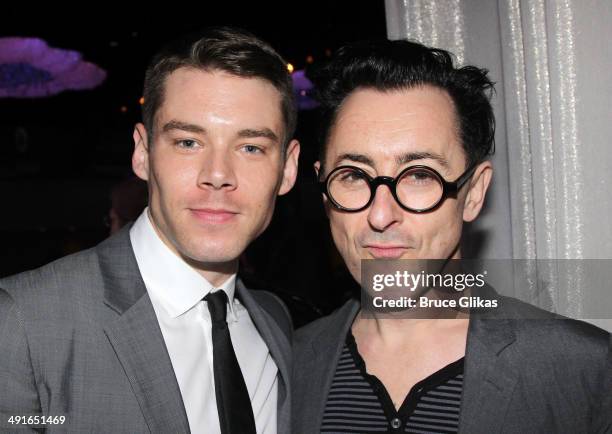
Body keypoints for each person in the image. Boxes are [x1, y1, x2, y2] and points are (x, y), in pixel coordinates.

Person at [293, 39, 611, 433]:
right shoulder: (287, 365)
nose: (380, 215)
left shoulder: (583, 369)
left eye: (420, 176)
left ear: (473, 193)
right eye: (354, 176)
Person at [0, 26, 299, 434]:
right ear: (142, 153)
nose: (217, 175)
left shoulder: (275, 321)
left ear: (288, 167)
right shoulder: (22, 323)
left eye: (251, 148)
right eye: (188, 142)